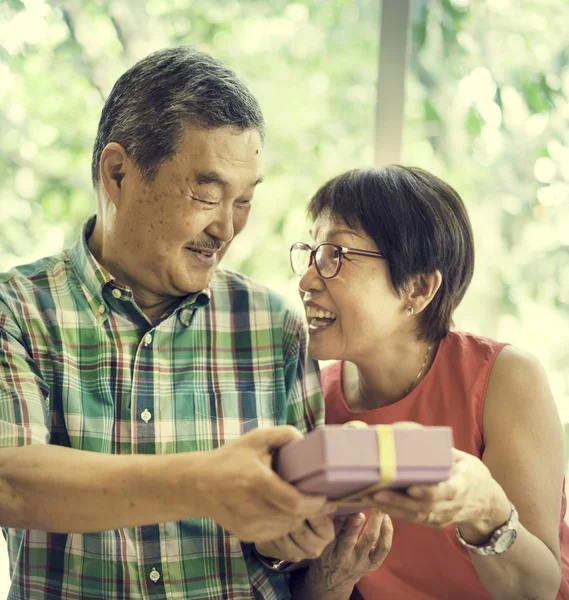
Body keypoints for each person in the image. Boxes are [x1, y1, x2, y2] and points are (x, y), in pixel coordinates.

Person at [0, 46, 335, 600]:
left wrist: (290, 541)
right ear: (118, 173)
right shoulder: (17, 309)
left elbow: (296, 545)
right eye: (207, 194)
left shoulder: (273, 325)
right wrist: (205, 483)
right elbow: (10, 479)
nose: (226, 228)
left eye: (245, 201)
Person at [284, 165, 569, 599]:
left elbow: (537, 590)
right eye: (310, 252)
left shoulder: (505, 377)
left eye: (335, 255)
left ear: (417, 288)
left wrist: (483, 507)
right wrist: (332, 577)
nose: (306, 280)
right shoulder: (311, 397)